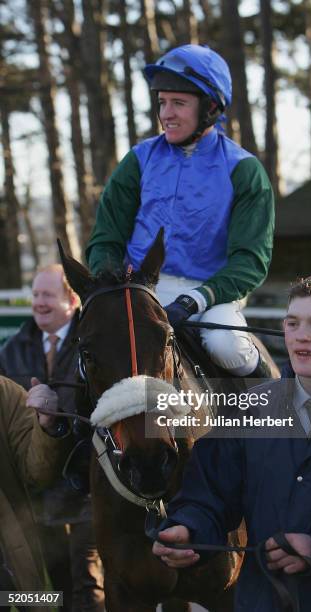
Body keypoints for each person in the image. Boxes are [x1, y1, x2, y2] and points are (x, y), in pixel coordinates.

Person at [152, 274, 311, 611]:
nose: (301, 336)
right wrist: (189, 529)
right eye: (293, 323)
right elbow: (208, 496)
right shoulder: (248, 412)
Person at [86, 43, 275, 378]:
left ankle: (275, 398)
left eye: (178, 103)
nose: (166, 113)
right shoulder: (137, 160)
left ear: (211, 107)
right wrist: (112, 285)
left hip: (211, 296)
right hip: (141, 289)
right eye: (162, 102)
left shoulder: (244, 170)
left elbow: (250, 261)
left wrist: (195, 300)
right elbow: (105, 239)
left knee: (227, 346)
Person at [0, 265, 104, 612]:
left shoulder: (93, 349)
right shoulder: (13, 349)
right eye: (35, 295)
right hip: (39, 496)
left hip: (86, 489)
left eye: (47, 295)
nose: (39, 303)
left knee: (87, 583)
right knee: (52, 588)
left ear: (72, 300)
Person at [0, 375, 71, 612]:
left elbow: (38, 473)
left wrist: (48, 424)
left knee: (41, 600)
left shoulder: (5, 392)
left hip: (8, 559)